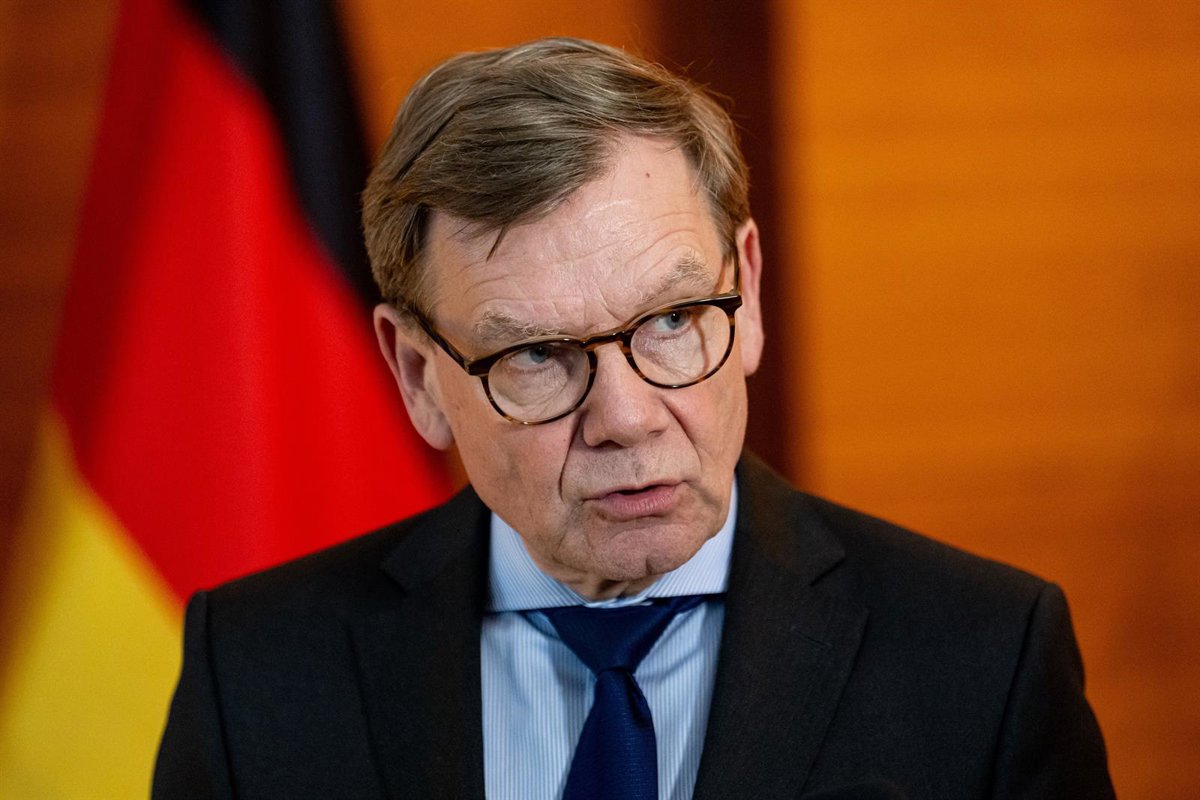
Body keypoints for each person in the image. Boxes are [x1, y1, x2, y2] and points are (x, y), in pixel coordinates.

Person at [153, 38, 1114, 799]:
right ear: (417, 373)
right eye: (537, 355)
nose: (626, 417)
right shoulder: (256, 674)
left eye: (672, 320)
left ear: (749, 291)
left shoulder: (985, 659)